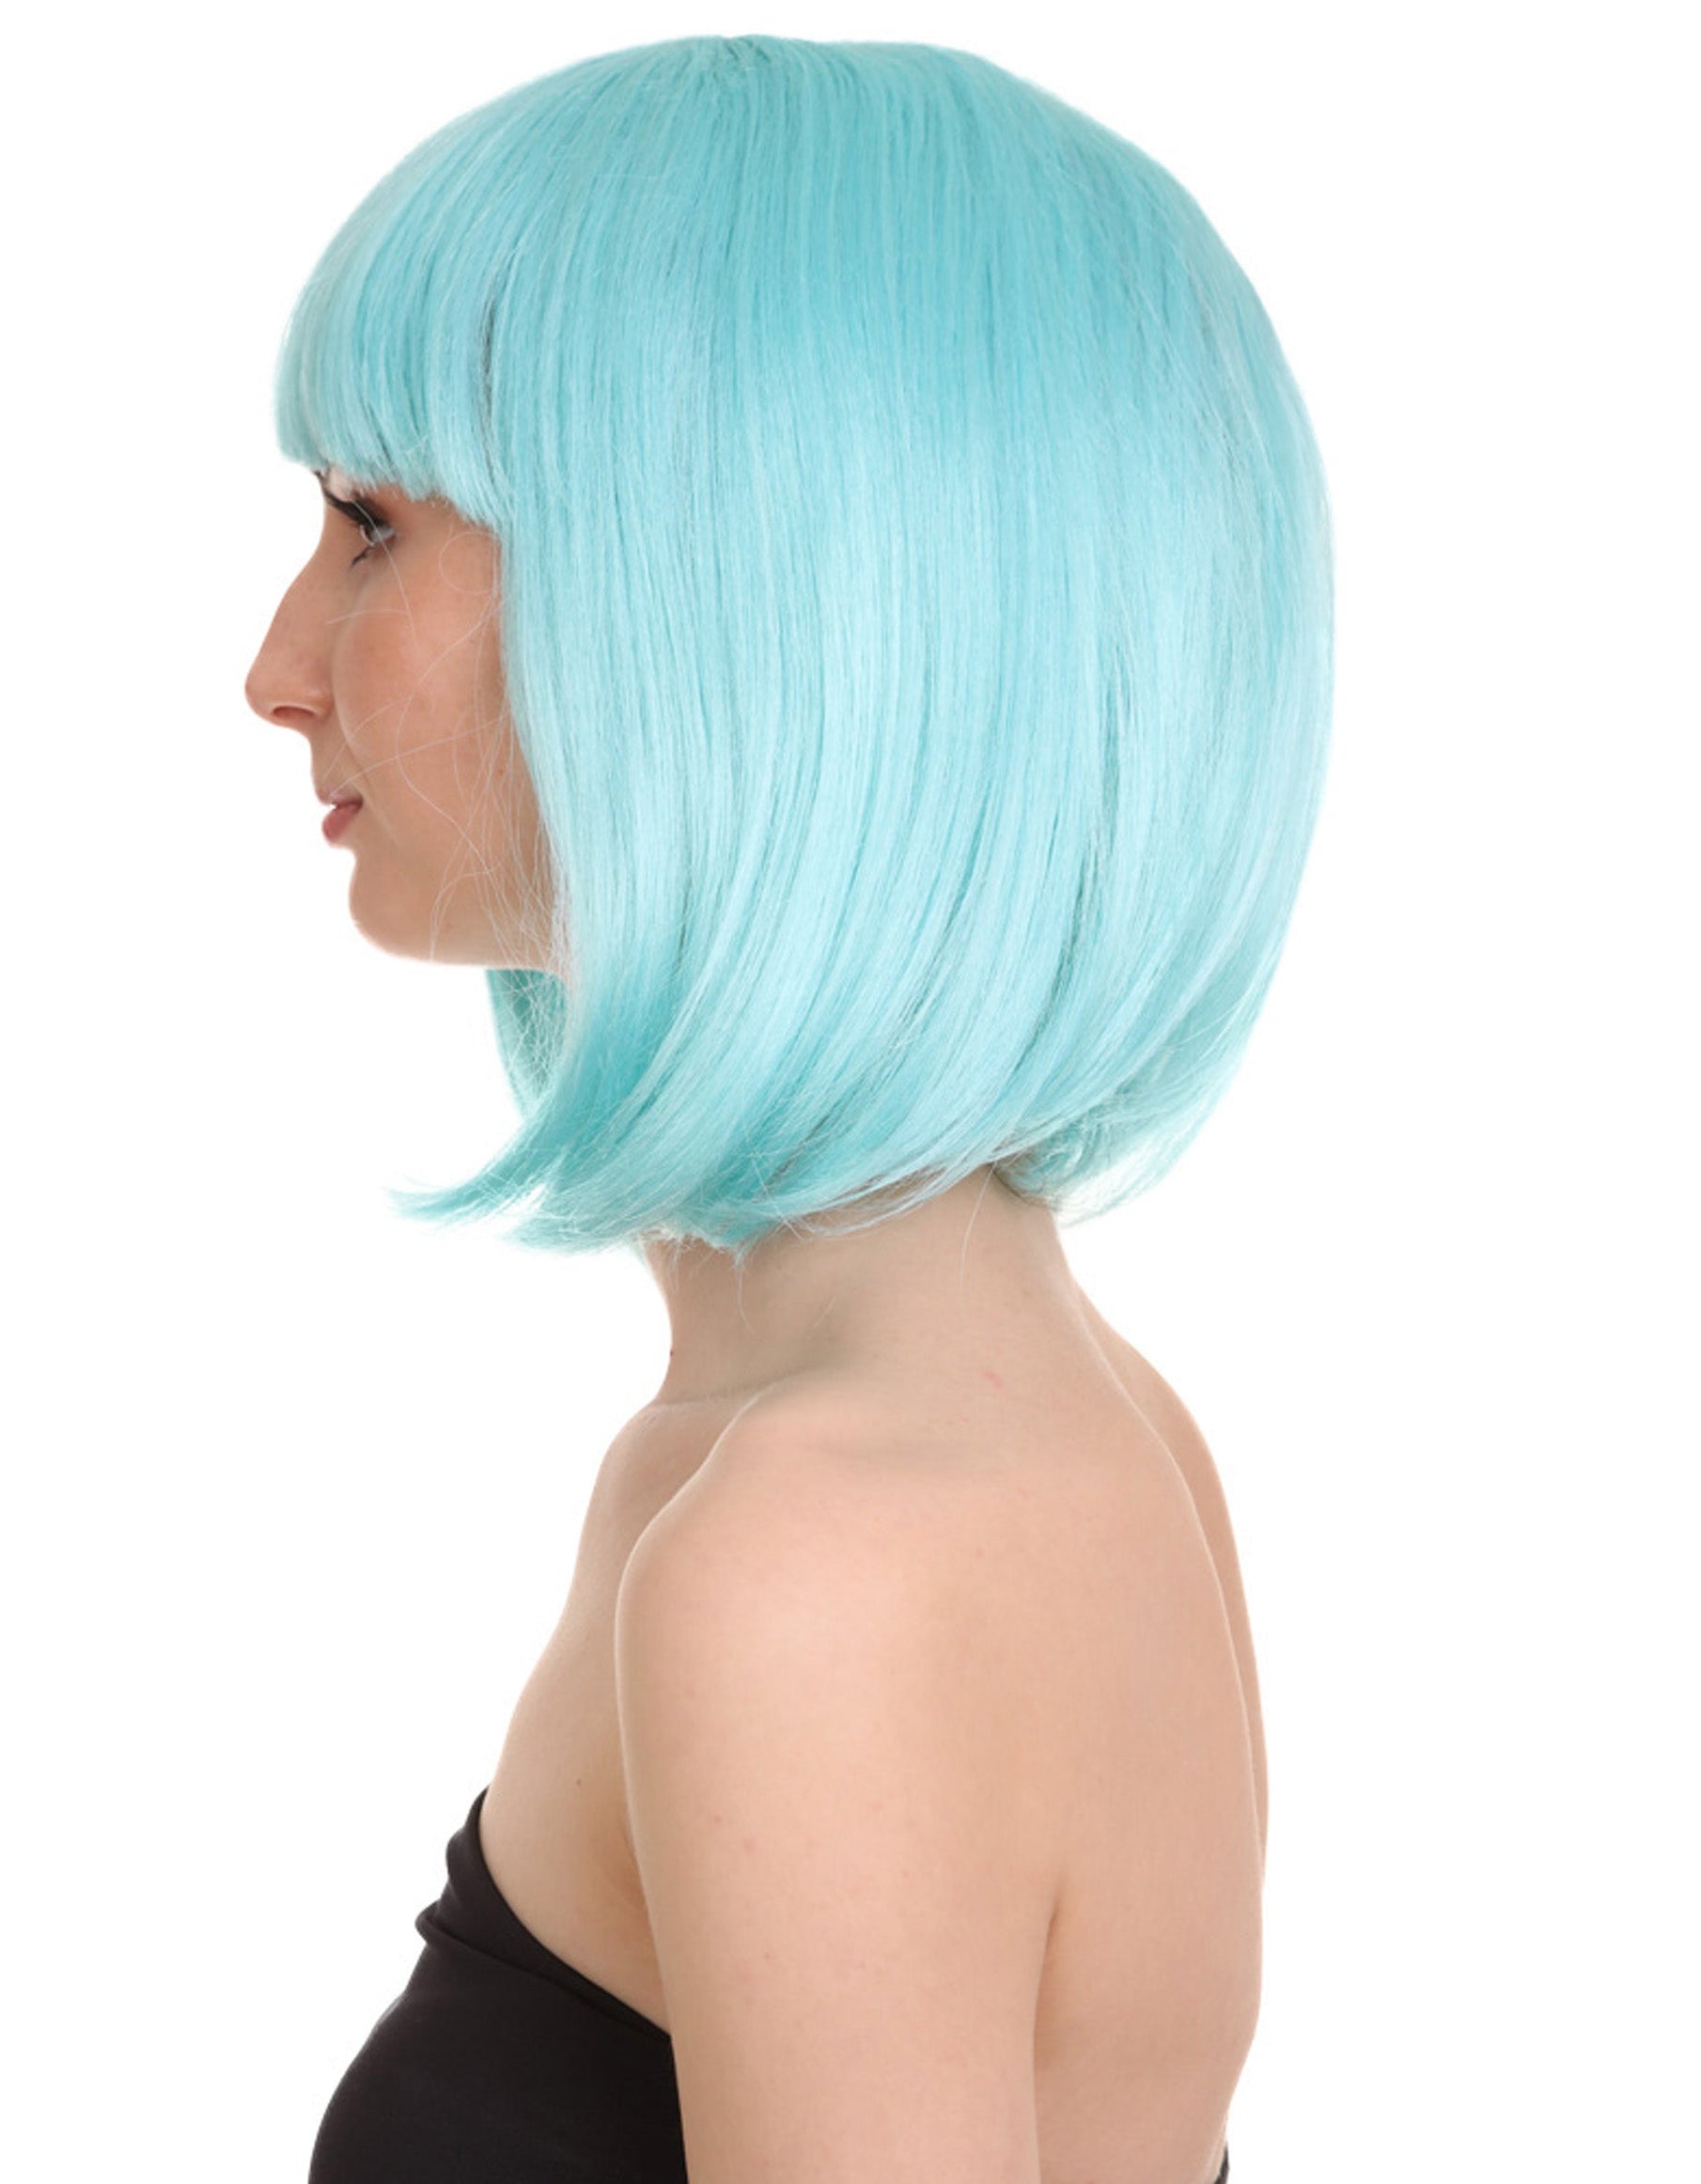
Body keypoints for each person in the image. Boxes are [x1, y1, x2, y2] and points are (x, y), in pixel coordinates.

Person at [244, 33, 1331, 2184]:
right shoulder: (1079, 1439)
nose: (276, 665)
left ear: (731, 596)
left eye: (374, 526)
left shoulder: (807, 1562)